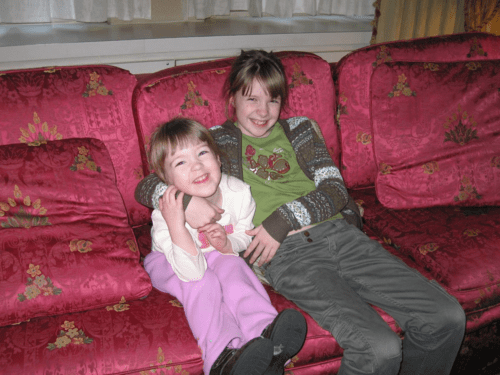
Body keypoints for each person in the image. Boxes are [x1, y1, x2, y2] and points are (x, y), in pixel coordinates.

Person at [136, 50, 466, 375]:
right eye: (251, 99)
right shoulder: (217, 140)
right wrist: (186, 203)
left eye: (273, 100)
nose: (263, 111)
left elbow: (335, 191)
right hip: (287, 255)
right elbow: (148, 185)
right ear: (232, 99)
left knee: (446, 317)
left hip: (342, 237)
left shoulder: (301, 130)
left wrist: (283, 219)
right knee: (379, 348)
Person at [144, 117, 307, 375]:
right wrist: (176, 223)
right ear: (167, 180)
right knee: (204, 283)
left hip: (216, 255)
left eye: (202, 153)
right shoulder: (165, 211)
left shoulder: (239, 192)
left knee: (233, 265)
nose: (196, 165)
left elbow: (245, 233)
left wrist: (228, 243)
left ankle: (268, 339)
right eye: (181, 162)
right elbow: (192, 272)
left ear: (218, 159)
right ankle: (223, 359)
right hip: (172, 262)